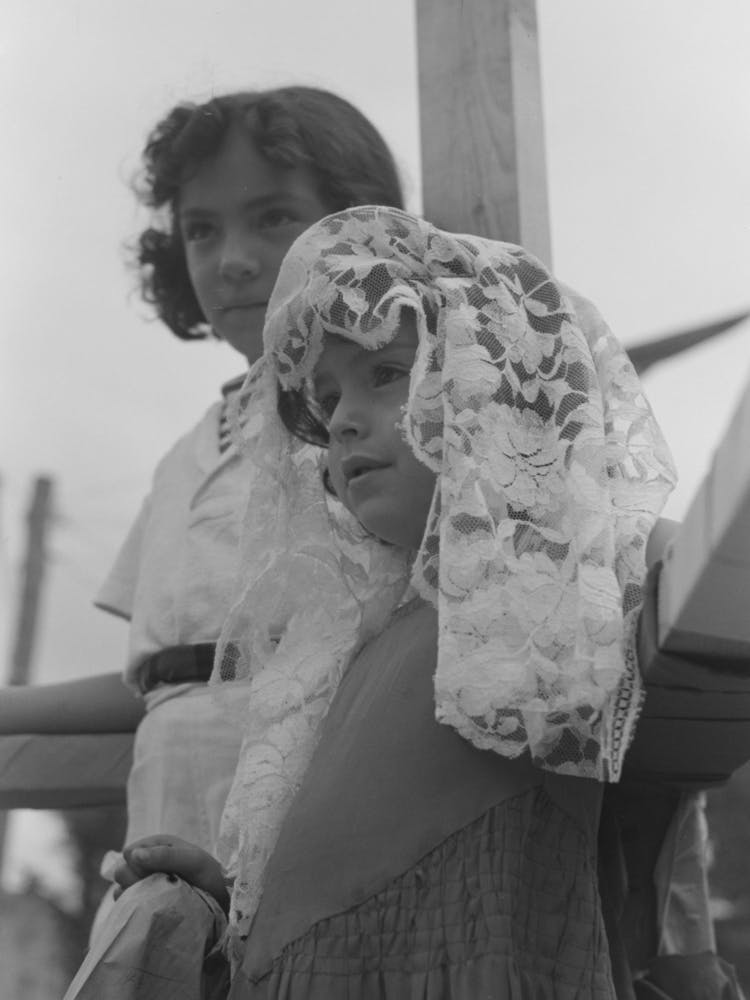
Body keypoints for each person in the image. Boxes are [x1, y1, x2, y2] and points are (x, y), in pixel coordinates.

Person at [105, 205, 679, 998]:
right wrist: (237, 903)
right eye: (328, 395)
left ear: (498, 385)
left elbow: (704, 565)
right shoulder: (345, 643)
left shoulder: (557, 567)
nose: (340, 418)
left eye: (385, 372)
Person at [0, 88, 406, 897]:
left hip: (310, 833)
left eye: (274, 216)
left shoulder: (374, 419)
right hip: (165, 826)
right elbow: (159, 679)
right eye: (201, 229)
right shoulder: (185, 455)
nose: (233, 259)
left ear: (355, 225)